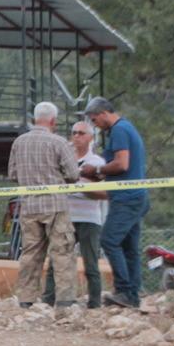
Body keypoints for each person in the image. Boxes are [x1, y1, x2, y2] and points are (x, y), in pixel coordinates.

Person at [80, 97, 149, 308]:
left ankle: (123, 290)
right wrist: (99, 176)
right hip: (133, 195)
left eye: (94, 120)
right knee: (129, 247)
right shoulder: (125, 128)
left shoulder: (119, 130)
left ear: (103, 113)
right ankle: (132, 296)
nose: (95, 125)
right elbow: (120, 168)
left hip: (126, 198)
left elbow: (122, 164)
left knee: (109, 240)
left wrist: (98, 170)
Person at [8, 101, 79, 308]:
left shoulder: (19, 143)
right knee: (62, 252)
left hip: (29, 206)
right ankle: (65, 299)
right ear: (53, 121)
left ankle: (26, 299)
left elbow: (12, 174)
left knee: (30, 254)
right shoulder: (58, 142)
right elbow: (73, 174)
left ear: (34, 119)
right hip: (55, 205)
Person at [43, 120, 108, 308]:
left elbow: (105, 194)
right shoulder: (62, 159)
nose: (77, 136)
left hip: (89, 219)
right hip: (65, 217)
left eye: (81, 133)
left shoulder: (97, 163)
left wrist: (82, 186)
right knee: (57, 260)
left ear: (91, 137)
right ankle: (48, 299)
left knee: (91, 264)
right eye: (74, 132)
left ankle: (94, 303)